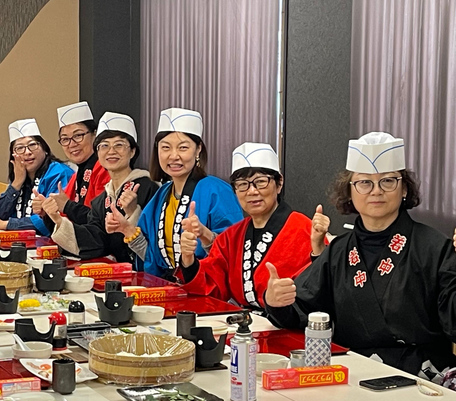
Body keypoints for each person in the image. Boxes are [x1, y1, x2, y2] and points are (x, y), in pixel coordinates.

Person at [266, 132, 456, 381]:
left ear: (404, 189)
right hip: (351, 374)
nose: (376, 191)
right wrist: (276, 300)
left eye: (388, 181)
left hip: (422, 377)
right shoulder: (338, 251)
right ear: (350, 192)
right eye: (364, 183)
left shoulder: (434, 247)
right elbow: (302, 310)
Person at [178, 143, 322, 309]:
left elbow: (319, 290)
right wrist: (188, 259)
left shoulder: (305, 229)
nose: (252, 191)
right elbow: (211, 289)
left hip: (291, 327)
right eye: (242, 184)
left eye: (260, 182)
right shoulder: (230, 237)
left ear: (279, 183)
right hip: (242, 327)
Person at [106, 107, 243, 279]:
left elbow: (234, 251)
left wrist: (205, 234)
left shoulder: (216, 191)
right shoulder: (161, 195)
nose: (173, 156)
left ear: (198, 149)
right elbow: (153, 259)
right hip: (169, 290)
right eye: (165, 147)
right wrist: (127, 229)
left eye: (183, 147)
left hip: (207, 291)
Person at [44, 112, 158, 261]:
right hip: (119, 275)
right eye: (104, 146)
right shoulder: (101, 200)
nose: (111, 151)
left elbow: (156, 242)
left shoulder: (148, 188)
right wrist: (57, 220)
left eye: (119, 145)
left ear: (132, 151)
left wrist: (132, 213)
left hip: (147, 275)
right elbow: (96, 241)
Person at [0, 118, 74, 235]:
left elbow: (51, 219)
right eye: (20, 148)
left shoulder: (59, 173)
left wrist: (5, 225)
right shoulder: (21, 176)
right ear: (13, 157)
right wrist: (16, 183)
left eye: (32, 145)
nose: (27, 152)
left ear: (45, 149)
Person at [34, 101, 110, 228]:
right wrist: (47, 213)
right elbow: (65, 225)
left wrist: (67, 206)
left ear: (95, 134)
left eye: (78, 135)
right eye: (65, 139)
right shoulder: (75, 177)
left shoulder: (104, 170)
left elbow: (102, 220)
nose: (72, 144)